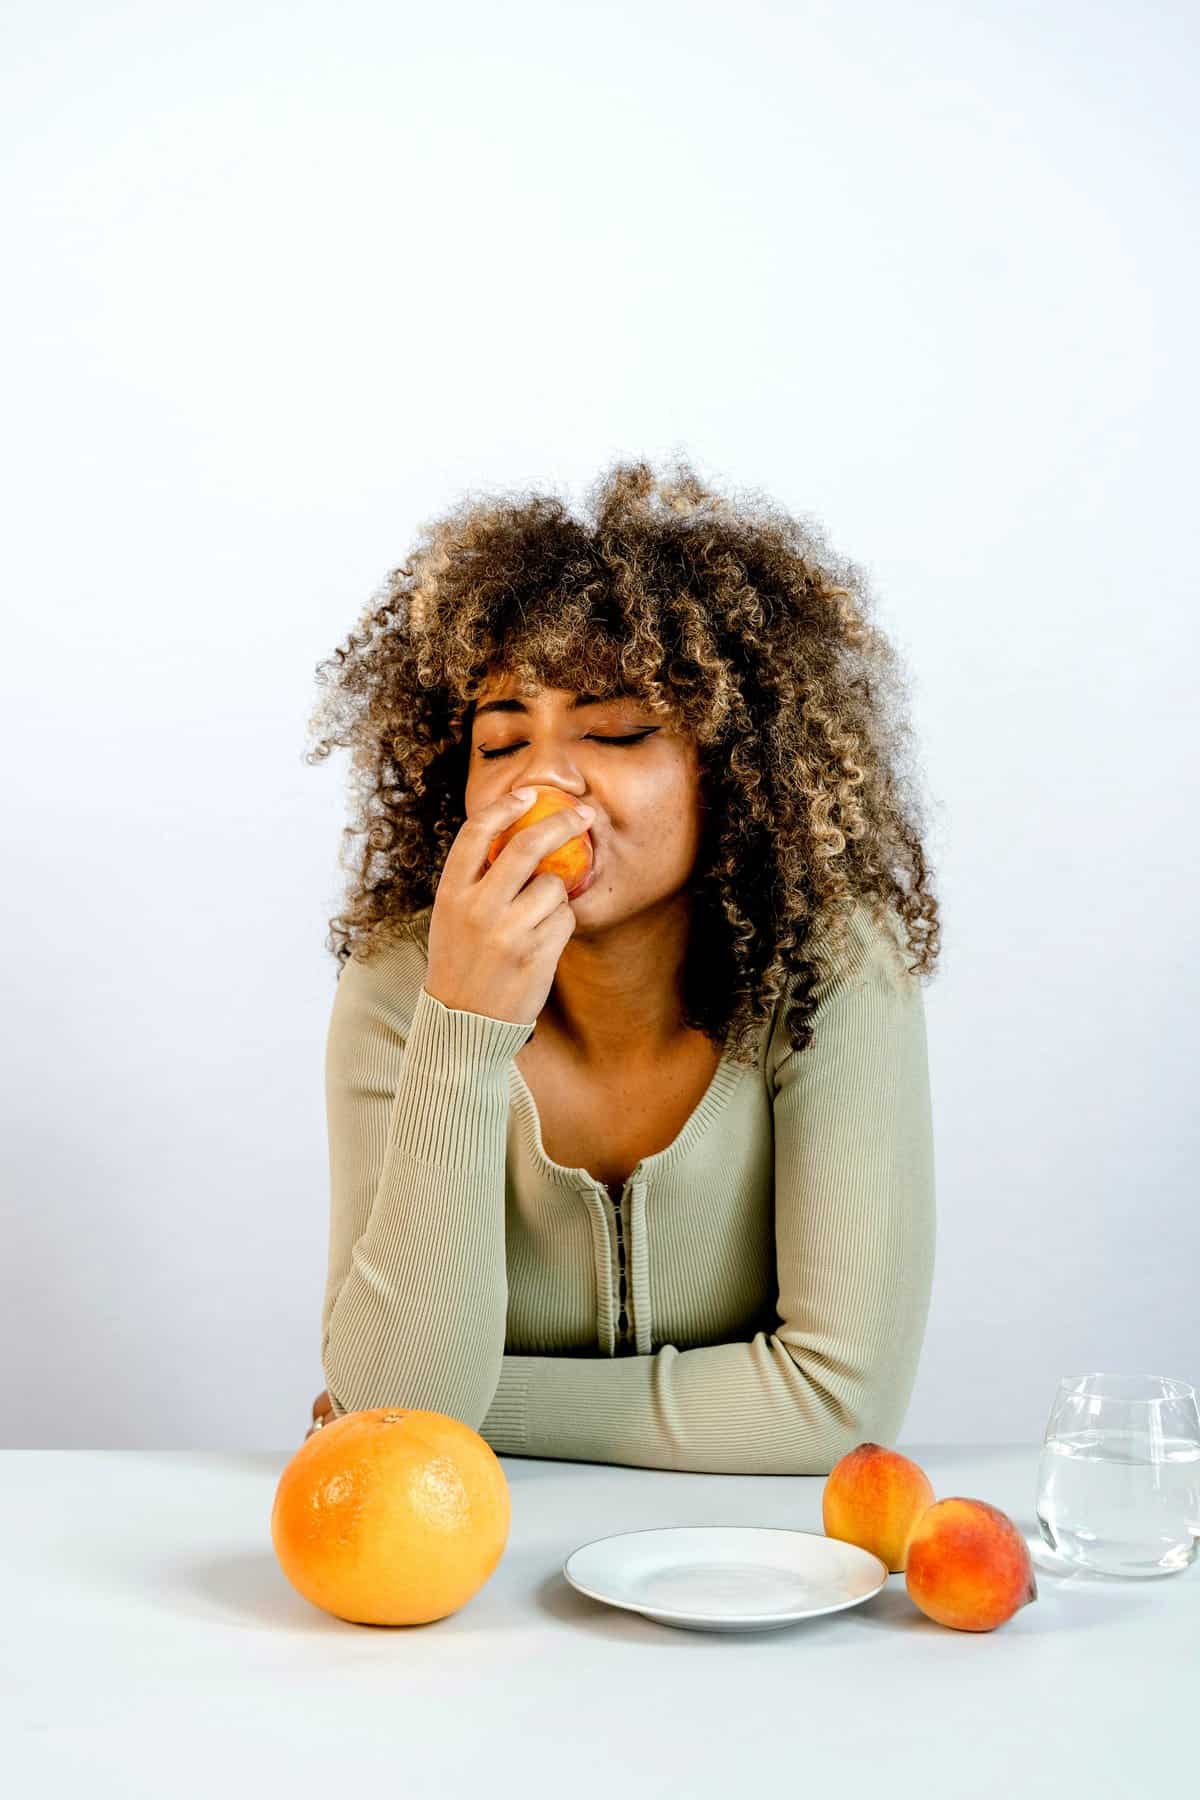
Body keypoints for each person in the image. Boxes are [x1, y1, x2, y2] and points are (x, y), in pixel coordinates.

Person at [301, 456, 941, 1474]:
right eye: (503, 743)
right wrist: (462, 1033)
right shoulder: (399, 986)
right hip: (476, 1581)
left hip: (752, 1573)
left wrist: (474, 1407)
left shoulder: (830, 970)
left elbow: (839, 1404)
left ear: (731, 765)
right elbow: (397, 1434)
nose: (547, 777)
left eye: (616, 730)